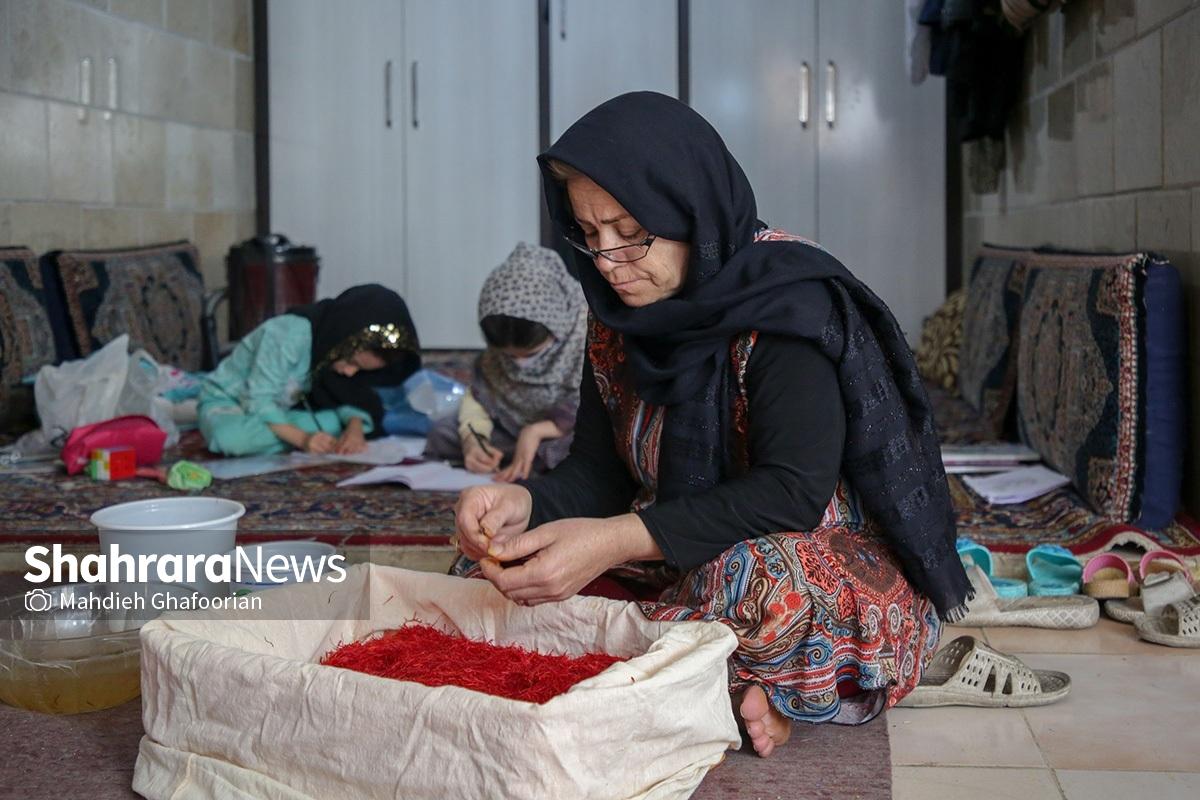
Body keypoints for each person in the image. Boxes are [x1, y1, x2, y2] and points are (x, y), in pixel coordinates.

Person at [451, 92, 969, 758]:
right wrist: (521, 504)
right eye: (589, 231)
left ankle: (702, 674)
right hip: (666, 556)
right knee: (490, 564)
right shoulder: (616, 314)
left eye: (629, 229)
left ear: (688, 210)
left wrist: (611, 543)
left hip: (799, 551)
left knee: (762, 583)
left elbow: (792, 491)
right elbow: (598, 476)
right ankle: (707, 682)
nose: (608, 259)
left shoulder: (787, 306)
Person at [424, 242, 587, 482]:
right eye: (509, 356)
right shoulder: (499, 343)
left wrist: (536, 431)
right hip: (510, 430)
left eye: (531, 354)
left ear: (556, 329)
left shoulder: (586, 331)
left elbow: (599, 405)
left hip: (564, 430)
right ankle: (520, 460)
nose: (519, 364)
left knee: (578, 450)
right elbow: (480, 396)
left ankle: (532, 458)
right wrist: (473, 441)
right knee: (443, 433)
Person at [199, 284, 420, 457]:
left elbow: (346, 393)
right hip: (229, 403)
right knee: (229, 439)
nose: (350, 373)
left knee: (337, 423)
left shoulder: (332, 346)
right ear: (345, 339)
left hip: (281, 411)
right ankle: (297, 431)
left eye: (360, 369)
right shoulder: (289, 335)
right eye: (351, 361)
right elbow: (258, 399)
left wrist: (354, 429)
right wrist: (303, 439)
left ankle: (284, 433)